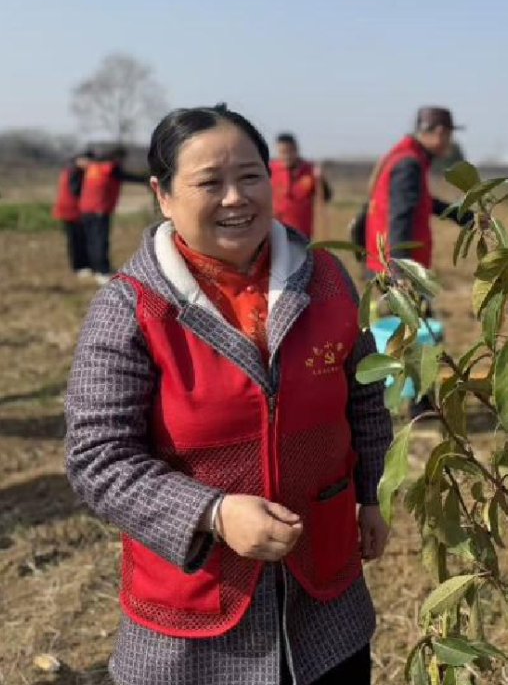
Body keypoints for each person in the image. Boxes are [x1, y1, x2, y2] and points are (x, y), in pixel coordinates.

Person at [65, 104, 393, 685]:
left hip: (326, 594)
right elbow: (98, 458)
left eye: (249, 177)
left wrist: (373, 492)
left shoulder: (326, 280)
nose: (236, 198)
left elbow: (362, 395)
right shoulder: (132, 308)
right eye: (209, 183)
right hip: (194, 615)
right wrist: (212, 513)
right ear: (163, 195)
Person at [364, 106, 470, 273]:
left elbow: (422, 200)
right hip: (395, 271)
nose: (449, 142)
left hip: (386, 265)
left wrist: (465, 216)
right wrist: (401, 273)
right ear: (439, 133)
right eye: (449, 135)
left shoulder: (405, 155)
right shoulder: (408, 164)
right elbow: (400, 217)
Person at [78, 146, 148, 284]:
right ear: (118, 158)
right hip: (99, 209)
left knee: (92, 240)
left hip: (86, 209)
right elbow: (127, 177)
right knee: (100, 241)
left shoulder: (93, 167)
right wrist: (146, 179)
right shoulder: (111, 168)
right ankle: (102, 271)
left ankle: (96, 266)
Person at [270, 132, 332, 239]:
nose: (285, 156)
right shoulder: (270, 170)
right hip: (276, 231)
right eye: (282, 152)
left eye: (288, 152)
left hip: (302, 233)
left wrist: (321, 180)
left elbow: (326, 197)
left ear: (296, 150)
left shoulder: (310, 170)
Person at [52, 150, 93, 277]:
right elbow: (75, 190)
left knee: (80, 239)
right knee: (76, 240)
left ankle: (84, 265)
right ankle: (79, 267)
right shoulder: (74, 172)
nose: (89, 164)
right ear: (79, 160)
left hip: (72, 210)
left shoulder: (71, 169)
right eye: (87, 161)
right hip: (70, 211)